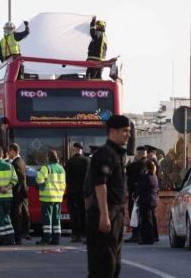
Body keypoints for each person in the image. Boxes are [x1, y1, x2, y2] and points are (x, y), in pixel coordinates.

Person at [86, 115, 131, 278]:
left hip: (115, 213)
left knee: (114, 265)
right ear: (113, 131)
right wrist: (105, 215)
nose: (128, 134)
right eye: (124, 131)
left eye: (129, 131)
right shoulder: (105, 154)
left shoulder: (116, 154)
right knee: (104, 266)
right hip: (104, 213)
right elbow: (100, 184)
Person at [35, 149, 66, 245]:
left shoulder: (46, 167)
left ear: (48, 157)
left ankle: (46, 239)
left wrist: (42, 185)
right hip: (58, 197)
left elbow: (39, 178)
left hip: (47, 197)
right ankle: (56, 239)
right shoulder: (61, 168)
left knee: (47, 218)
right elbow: (63, 184)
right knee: (56, 218)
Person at [65, 142, 89, 242]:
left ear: (74, 149)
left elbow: (66, 178)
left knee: (74, 214)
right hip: (84, 192)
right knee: (84, 213)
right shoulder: (88, 161)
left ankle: (76, 234)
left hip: (72, 192)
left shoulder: (69, 162)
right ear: (81, 150)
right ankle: (85, 233)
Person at [8, 143, 30, 245]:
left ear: (14, 151)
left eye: (10, 151)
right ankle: (22, 234)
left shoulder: (15, 163)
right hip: (23, 193)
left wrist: (14, 193)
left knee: (16, 216)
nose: (8, 154)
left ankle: (17, 238)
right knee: (21, 215)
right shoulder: (22, 161)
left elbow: (17, 180)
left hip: (17, 194)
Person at [124, 146, 148, 243]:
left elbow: (128, 171)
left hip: (135, 192)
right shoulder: (150, 163)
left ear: (138, 154)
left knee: (134, 213)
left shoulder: (138, 164)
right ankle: (141, 234)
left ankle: (136, 234)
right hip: (146, 193)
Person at [135, 160, 159, 245]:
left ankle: (147, 239)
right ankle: (153, 237)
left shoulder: (146, 177)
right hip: (152, 200)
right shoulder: (154, 176)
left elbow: (139, 188)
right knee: (151, 219)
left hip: (145, 200)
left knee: (146, 220)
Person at [145, 144, 160, 242]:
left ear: (151, 153)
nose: (147, 155)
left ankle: (153, 235)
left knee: (150, 216)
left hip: (151, 191)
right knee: (152, 216)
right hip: (153, 192)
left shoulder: (154, 162)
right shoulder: (154, 161)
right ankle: (154, 235)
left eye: (148, 153)